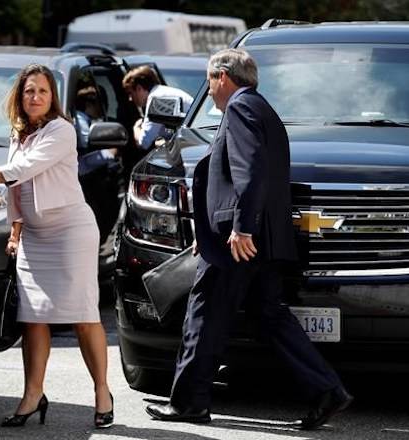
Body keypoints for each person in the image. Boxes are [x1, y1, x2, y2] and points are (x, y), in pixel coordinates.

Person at [145, 49, 352, 430]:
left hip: (240, 240)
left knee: (203, 313)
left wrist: (240, 228)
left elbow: (249, 171)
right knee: (269, 315)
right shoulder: (262, 109)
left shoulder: (240, 109)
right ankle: (327, 390)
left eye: (209, 82)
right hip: (261, 239)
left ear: (222, 76)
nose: (209, 91)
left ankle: (189, 403)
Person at [0, 63, 114, 429]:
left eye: (41, 91)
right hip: (35, 237)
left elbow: (20, 171)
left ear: (52, 97)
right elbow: (18, 190)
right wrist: (15, 231)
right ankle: (32, 395)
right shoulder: (19, 132)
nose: (35, 97)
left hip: (71, 232)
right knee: (32, 318)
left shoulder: (62, 130)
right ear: (19, 98)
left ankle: (102, 392)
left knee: (84, 316)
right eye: (28, 91)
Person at [121, 65, 193, 151]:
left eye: (130, 93)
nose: (130, 98)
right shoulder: (162, 93)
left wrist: (136, 128)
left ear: (139, 88)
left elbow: (144, 142)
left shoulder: (156, 100)